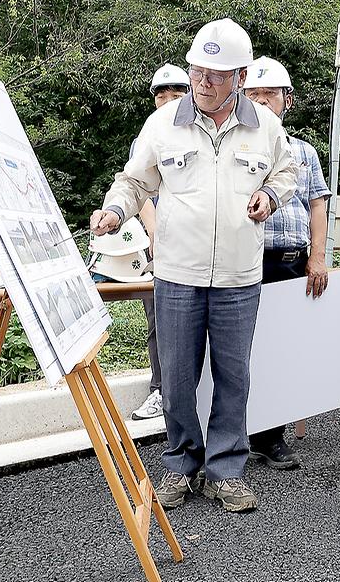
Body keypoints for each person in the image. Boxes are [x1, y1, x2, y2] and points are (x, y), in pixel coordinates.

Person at [91, 18, 296, 514]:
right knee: (178, 377)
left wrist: (269, 195)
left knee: (234, 375)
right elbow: (134, 180)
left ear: (241, 77)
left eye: (217, 75)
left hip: (238, 277)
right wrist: (115, 210)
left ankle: (225, 469)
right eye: (198, 71)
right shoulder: (163, 124)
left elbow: (286, 172)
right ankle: (182, 465)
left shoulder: (265, 126)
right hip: (177, 274)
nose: (204, 83)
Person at [243, 55, 331, 470]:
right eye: (253, 93)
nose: (262, 101)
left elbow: (317, 205)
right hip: (247, 260)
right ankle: (241, 435)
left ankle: (271, 437)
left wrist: (318, 256)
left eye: (270, 94)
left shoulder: (304, 152)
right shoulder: (237, 148)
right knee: (242, 349)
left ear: (287, 100)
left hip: (293, 262)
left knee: (284, 350)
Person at [132, 64, 191, 421]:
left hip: (197, 247)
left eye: (176, 94)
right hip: (160, 244)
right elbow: (137, 188)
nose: (167, 101)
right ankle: (160, 390)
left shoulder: (200, 129)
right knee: (158, 320)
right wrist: (154, 233)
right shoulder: (147, 136)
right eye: (161, 95)